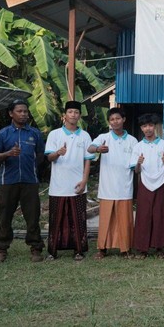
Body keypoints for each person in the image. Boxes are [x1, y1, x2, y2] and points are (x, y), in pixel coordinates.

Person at [0, 99, 45, 262]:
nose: (23, 114)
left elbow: (41, 156)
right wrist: (8, 154)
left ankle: (36, 249)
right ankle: (1, 249)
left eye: (25, 111)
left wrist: (33, 169)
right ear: (11, 114)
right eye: (19, 111)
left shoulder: (35, 133)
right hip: (8, 181)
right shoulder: (3, 133)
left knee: (33, 215)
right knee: (5, 216)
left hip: (30, 181)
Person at [45, 101, 95, 261]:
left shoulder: (85, 135)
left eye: (76, 112)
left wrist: (84, 181)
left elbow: (88, 160)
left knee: (78, 219)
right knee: (56, 219)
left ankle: (79, 250)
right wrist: (58, 153)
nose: (73, 115)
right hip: (58, 185)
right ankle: (52, 251)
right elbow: (49, 157)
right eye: (70, 112)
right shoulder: (54, 134)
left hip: (78, 184)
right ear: (64, 115)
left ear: (79, 115)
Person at [88, 107, 137, 259]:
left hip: (125, 186)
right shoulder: (104, 137)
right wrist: (98, 149)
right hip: (107, 187)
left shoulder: (132, 140)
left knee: (124, 220)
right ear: (109, 122)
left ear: (124, 120)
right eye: (112, 119)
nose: (115, 121)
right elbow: (90, 148)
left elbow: (136, 164)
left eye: (118, 118)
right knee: (106, 220)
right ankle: (102, 249)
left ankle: (125, 249)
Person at [130, 113, 164, 259]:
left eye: (150, 125)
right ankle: (143, 249)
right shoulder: (138, 146)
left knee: (160, 215)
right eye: (144, 126)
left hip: (161, 183)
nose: (147, 129)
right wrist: (138, 163)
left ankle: (160, 248)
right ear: (141, 128)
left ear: (155, 126)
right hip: (144, 184)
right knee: (144, 215)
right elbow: (136, 171)